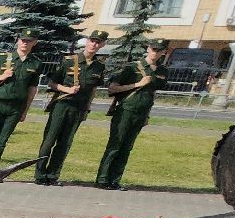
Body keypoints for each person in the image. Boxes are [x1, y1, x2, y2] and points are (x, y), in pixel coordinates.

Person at [34, 30, 108, 186]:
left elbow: (93, 89)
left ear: (102, 45)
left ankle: (53, 175)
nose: (94, 44)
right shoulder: (69, 61)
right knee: (49, 140)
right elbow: (52, 83)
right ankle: (40, 175)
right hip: (62, 105)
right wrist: (66, 90)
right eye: (92, 41)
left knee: (65, 142)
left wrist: (87, 108)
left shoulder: (99, 66)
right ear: (87, 41)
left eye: (98, 42)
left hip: (79, 108)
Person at [96, 39, 169, 190]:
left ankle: (115, 180)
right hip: (126, 110)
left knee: (127, 147)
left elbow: (152, 93)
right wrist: (137, 84)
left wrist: (147, 115)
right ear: (148, 49)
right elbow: (113, 89)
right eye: (153, 49)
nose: (155, 53)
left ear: (163, 52)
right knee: (115, 145)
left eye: (158, 50)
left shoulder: (162, 72)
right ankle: (102, 179)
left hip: (141, 113)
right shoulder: (132, 67)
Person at [0, 29, 43, 175]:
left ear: (34, 43)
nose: (25, 43)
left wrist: (25, 111)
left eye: (29, 40)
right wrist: (1, 77)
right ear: (18, 41)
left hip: (15, 107)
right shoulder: (2, 59)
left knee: (1, 142)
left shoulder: (35, 63)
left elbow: (32, 89)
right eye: (23, 39)